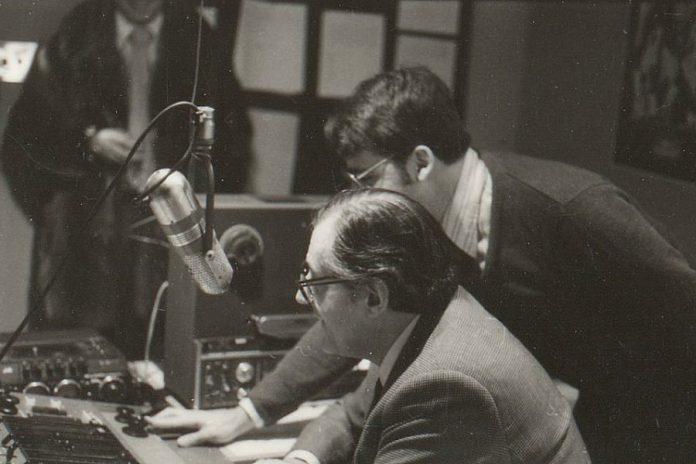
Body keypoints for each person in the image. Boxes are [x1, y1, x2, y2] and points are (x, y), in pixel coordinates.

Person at [150, 67, 696, 463]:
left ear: (420, 162)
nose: (357, 198)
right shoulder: (430, 234)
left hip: (660, 415)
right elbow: (360, 327)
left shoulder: (576, 210)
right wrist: (250, 413)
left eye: (365, 180)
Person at [149, 188, 591, 463]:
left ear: (375, 297)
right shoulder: (430, 320)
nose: (301, 298)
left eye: (314, 281)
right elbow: (350, 416)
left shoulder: (444, 383)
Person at [0, 0, 252, 358]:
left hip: (168, 224)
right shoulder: (74, 36)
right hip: (88, 226)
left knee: (159, 341)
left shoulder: (196, 38)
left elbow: (233, 137)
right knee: (82, 348)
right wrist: (88, 141)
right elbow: (25, 136)